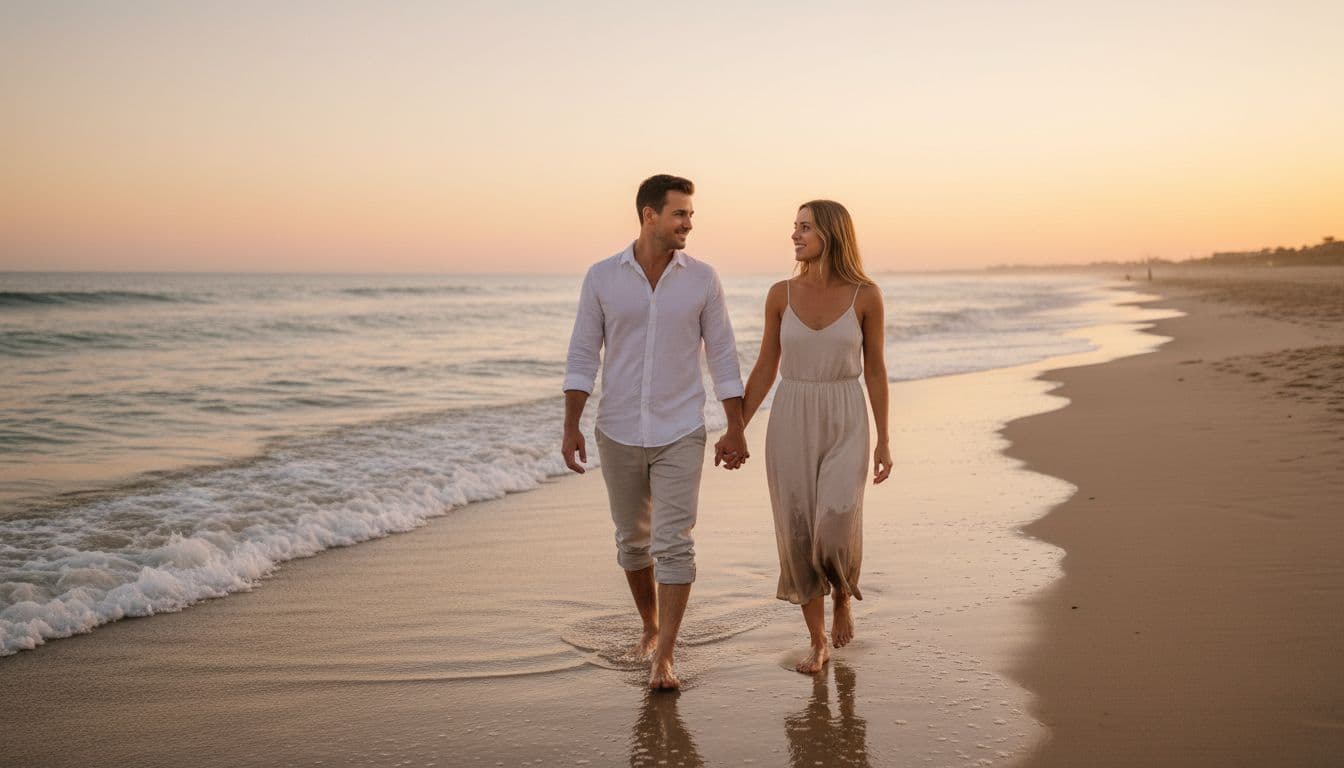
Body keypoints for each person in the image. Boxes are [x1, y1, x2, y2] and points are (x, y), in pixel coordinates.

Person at [562, 174, 748, 690]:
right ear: (649, 215)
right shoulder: (601, 277)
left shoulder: (703, 279)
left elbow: (724, 356)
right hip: (617, 428)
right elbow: (582, 354)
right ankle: (650, 625)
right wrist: (570, 425)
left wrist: (735, 427)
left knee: (674, 543)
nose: (689, 223)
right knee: (632, 542)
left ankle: (664, 656)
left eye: (690, 214)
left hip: (681, 428)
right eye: (680, 214)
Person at [729, 199, 891, 674]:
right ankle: (817, 641)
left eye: (805, 228)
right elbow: (765, 367)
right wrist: (736, 425)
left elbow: (876, 372)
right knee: (799, 532)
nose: (795, 235)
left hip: (846, 415)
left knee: (835, 525)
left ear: (832, 234)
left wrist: (884, 440)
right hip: (790, 416)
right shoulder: (780, 294)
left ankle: (843, 591)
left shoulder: (866, 295)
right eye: (794, 227)